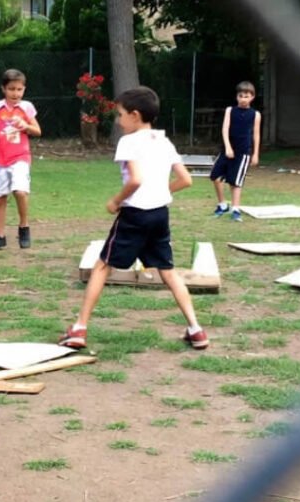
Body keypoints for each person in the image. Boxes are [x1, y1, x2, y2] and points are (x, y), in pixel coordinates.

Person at [58, 85, 208, 351]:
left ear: (135, 115)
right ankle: (196, 330)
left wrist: (116, 201)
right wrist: (161, 190)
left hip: (135, 215)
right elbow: (186, 180)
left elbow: (135, 179)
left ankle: (79, 328)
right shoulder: (163, 141)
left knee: (102, 266)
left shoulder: (128, 142)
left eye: (120, 114)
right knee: (168, 271)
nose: (118, 121)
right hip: (160, 214)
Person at [0, 67, 41, 250]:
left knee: (20, 191)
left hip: (20, 156)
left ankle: (24, 227)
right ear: (3, 89)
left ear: (24, 89)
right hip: (1, 158)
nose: (15, 93)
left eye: (19, 89)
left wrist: (26, 126)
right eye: (11, 89)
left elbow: (37, 131)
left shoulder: (26, 107)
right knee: (0, 198)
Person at [210, 80, 261, 222]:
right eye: (240, 96)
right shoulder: (230, 110)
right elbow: (225, 129)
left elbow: (256, 135)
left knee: (236, 182)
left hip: (243, 151)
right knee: (215, 176)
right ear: (237, 96)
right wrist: (228, 147)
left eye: (246, 96)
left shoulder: (255, 114)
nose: (243, 99)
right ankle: (222, 204)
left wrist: (255, 154)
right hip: (227, 150)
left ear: (252, 97)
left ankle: (236, 209)